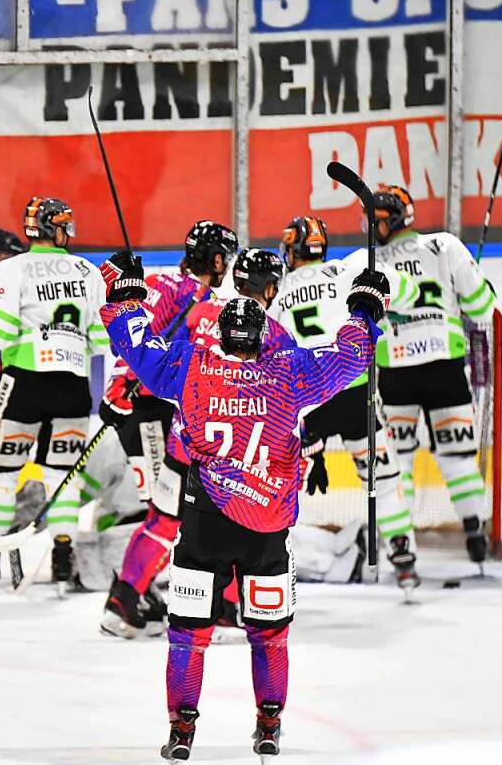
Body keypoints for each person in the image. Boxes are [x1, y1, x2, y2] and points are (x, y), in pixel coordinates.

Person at [99, 248, 388, 762]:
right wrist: (364, 307)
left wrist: (124, 293)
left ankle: (181, 730)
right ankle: (269, 725)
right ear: (261, 337)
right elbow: (351, 358)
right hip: (267, 533)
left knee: (188, 636)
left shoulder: (190, 367)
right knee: (270, 638)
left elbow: (136, 344)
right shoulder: (288, 372)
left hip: (205, 527)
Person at [101, 247, 293, 637]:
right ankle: (224, 609)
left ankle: (124, 600)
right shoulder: (273, 333)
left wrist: (124, 380)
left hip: (183, 443)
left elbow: (164, 359)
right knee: (242, 528)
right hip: (231, 458)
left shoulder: (201, 311)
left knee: (163, 522)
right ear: (269, 289)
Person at [0, 196, 110, 595]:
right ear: (52, 227)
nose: (69, 231)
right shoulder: (89, 271)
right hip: (73, 386)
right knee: (62, 478)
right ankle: (62, 556)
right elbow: (102, 339)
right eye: (64, 224)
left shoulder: (10, 269)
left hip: (24, 385)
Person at [268, 215, 422, 589]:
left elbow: (270, 349)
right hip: (355, 388)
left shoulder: (280, 289)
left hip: (307, 398)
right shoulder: (347, 270)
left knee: (277, 481)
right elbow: (409, 292)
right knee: (382, 478)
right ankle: (402, 553)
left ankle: (268, 557)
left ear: (291, 250)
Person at [97, 221, 236, 625]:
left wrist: (118, 382)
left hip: (143, 410)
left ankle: (136, 592)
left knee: (166, 513)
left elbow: (126, 334)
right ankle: (127, 598)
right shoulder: (199, 298)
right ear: (216, 258)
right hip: (151, 412)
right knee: (169, 515)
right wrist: (124, 382)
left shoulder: (157, 282)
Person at [359, 187, 498, 569]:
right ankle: (474, 532)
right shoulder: (445, 246)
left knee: (398, 460)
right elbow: (483, 306)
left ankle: (399, 540)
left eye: (378, 218)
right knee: (457, 457)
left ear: (395, 219)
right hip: (445, 367)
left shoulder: (369, 259)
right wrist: (479, 286)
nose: (372, 225)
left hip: (396, 371)